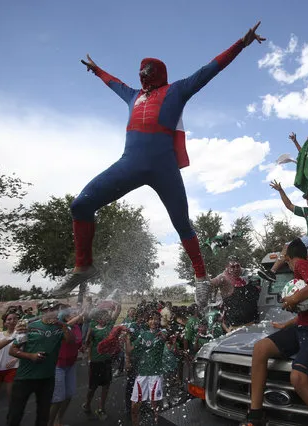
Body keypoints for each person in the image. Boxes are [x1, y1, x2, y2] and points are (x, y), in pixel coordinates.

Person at [50, 22, 267, 306]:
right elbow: (113, 82)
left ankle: (201, 278)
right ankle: (84, 266)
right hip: (129, 164)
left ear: (159, 73)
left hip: (164, 169)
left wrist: (241, 43)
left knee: (182, 224)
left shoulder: (177, 90)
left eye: (148, 70)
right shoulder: (133, 96)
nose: (144, 74)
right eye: (142, 71)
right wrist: (97, 70)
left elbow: (211, 69)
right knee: (80, 205)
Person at [242, 239, 308, 426]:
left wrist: (293, 299)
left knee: (298, 378)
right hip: (301, 327)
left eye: (288, 262)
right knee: (261, 349)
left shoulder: (301, 264)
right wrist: (288, 324)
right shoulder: (301, 276)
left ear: (288, 259)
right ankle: (255, 415)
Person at [258, 168, 308, 282]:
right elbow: (289, 205)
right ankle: (272, 272)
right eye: (307, 198)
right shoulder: (306, 211)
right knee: (288, 246)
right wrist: (281, 190)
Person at [6, 300, 73, 426]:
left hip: (47, 379)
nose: (53, 312)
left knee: (43, 416)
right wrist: (30, 356)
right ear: (43, 311)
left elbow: (71, 341)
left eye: (56, 310)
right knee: (15, 415)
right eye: (50, 309)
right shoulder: (30, 327)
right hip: (24, 378)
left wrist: (63, 326)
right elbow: (13, 350)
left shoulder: (60, 327)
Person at [125, 310, 167, 426]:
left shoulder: (163, 332)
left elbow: (164, 338)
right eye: (150, 319)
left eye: (156, 319)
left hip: (155, 374)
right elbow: (129, 350)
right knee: (134, 406)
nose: (153, 321)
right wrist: (127, 338)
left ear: (159, 320)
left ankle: (157, 423)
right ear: (147, 321)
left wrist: (162, 335)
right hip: (142, 374)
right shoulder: (143, 334)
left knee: (155, 407)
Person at [82, 303, 121, 420]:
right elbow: (88, 344)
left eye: (107, 316)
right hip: (95, 362)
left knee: (106, 386)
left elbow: (117, 311)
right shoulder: (93, 328)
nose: (106, 318)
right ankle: (87, 404)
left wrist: (115, 302)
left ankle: (101, 408)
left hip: (107, 361)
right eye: (103, 316)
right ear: (98, 318)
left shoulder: (109, 326)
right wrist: (89, 359)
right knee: (92, 388)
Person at [48, 308, 84, 426]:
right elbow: (65, 327)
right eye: (74, 314)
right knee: (58, 397)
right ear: (66, 317)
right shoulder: (60, 327)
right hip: (59, 365)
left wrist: (80, 348)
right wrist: (80, 316)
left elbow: (77, 342)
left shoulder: (77, 327)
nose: (77, 315)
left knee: (69, 395)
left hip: (71, 364)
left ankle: (59, 421)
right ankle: (50, 423)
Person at [210, 258, 260, 329]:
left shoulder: (247, 278)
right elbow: (211, 283)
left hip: (254, 323)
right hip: (236, 327)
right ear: (227, 268)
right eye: (233, 267)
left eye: (237, 266)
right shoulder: (223, 279)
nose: (236, 269)